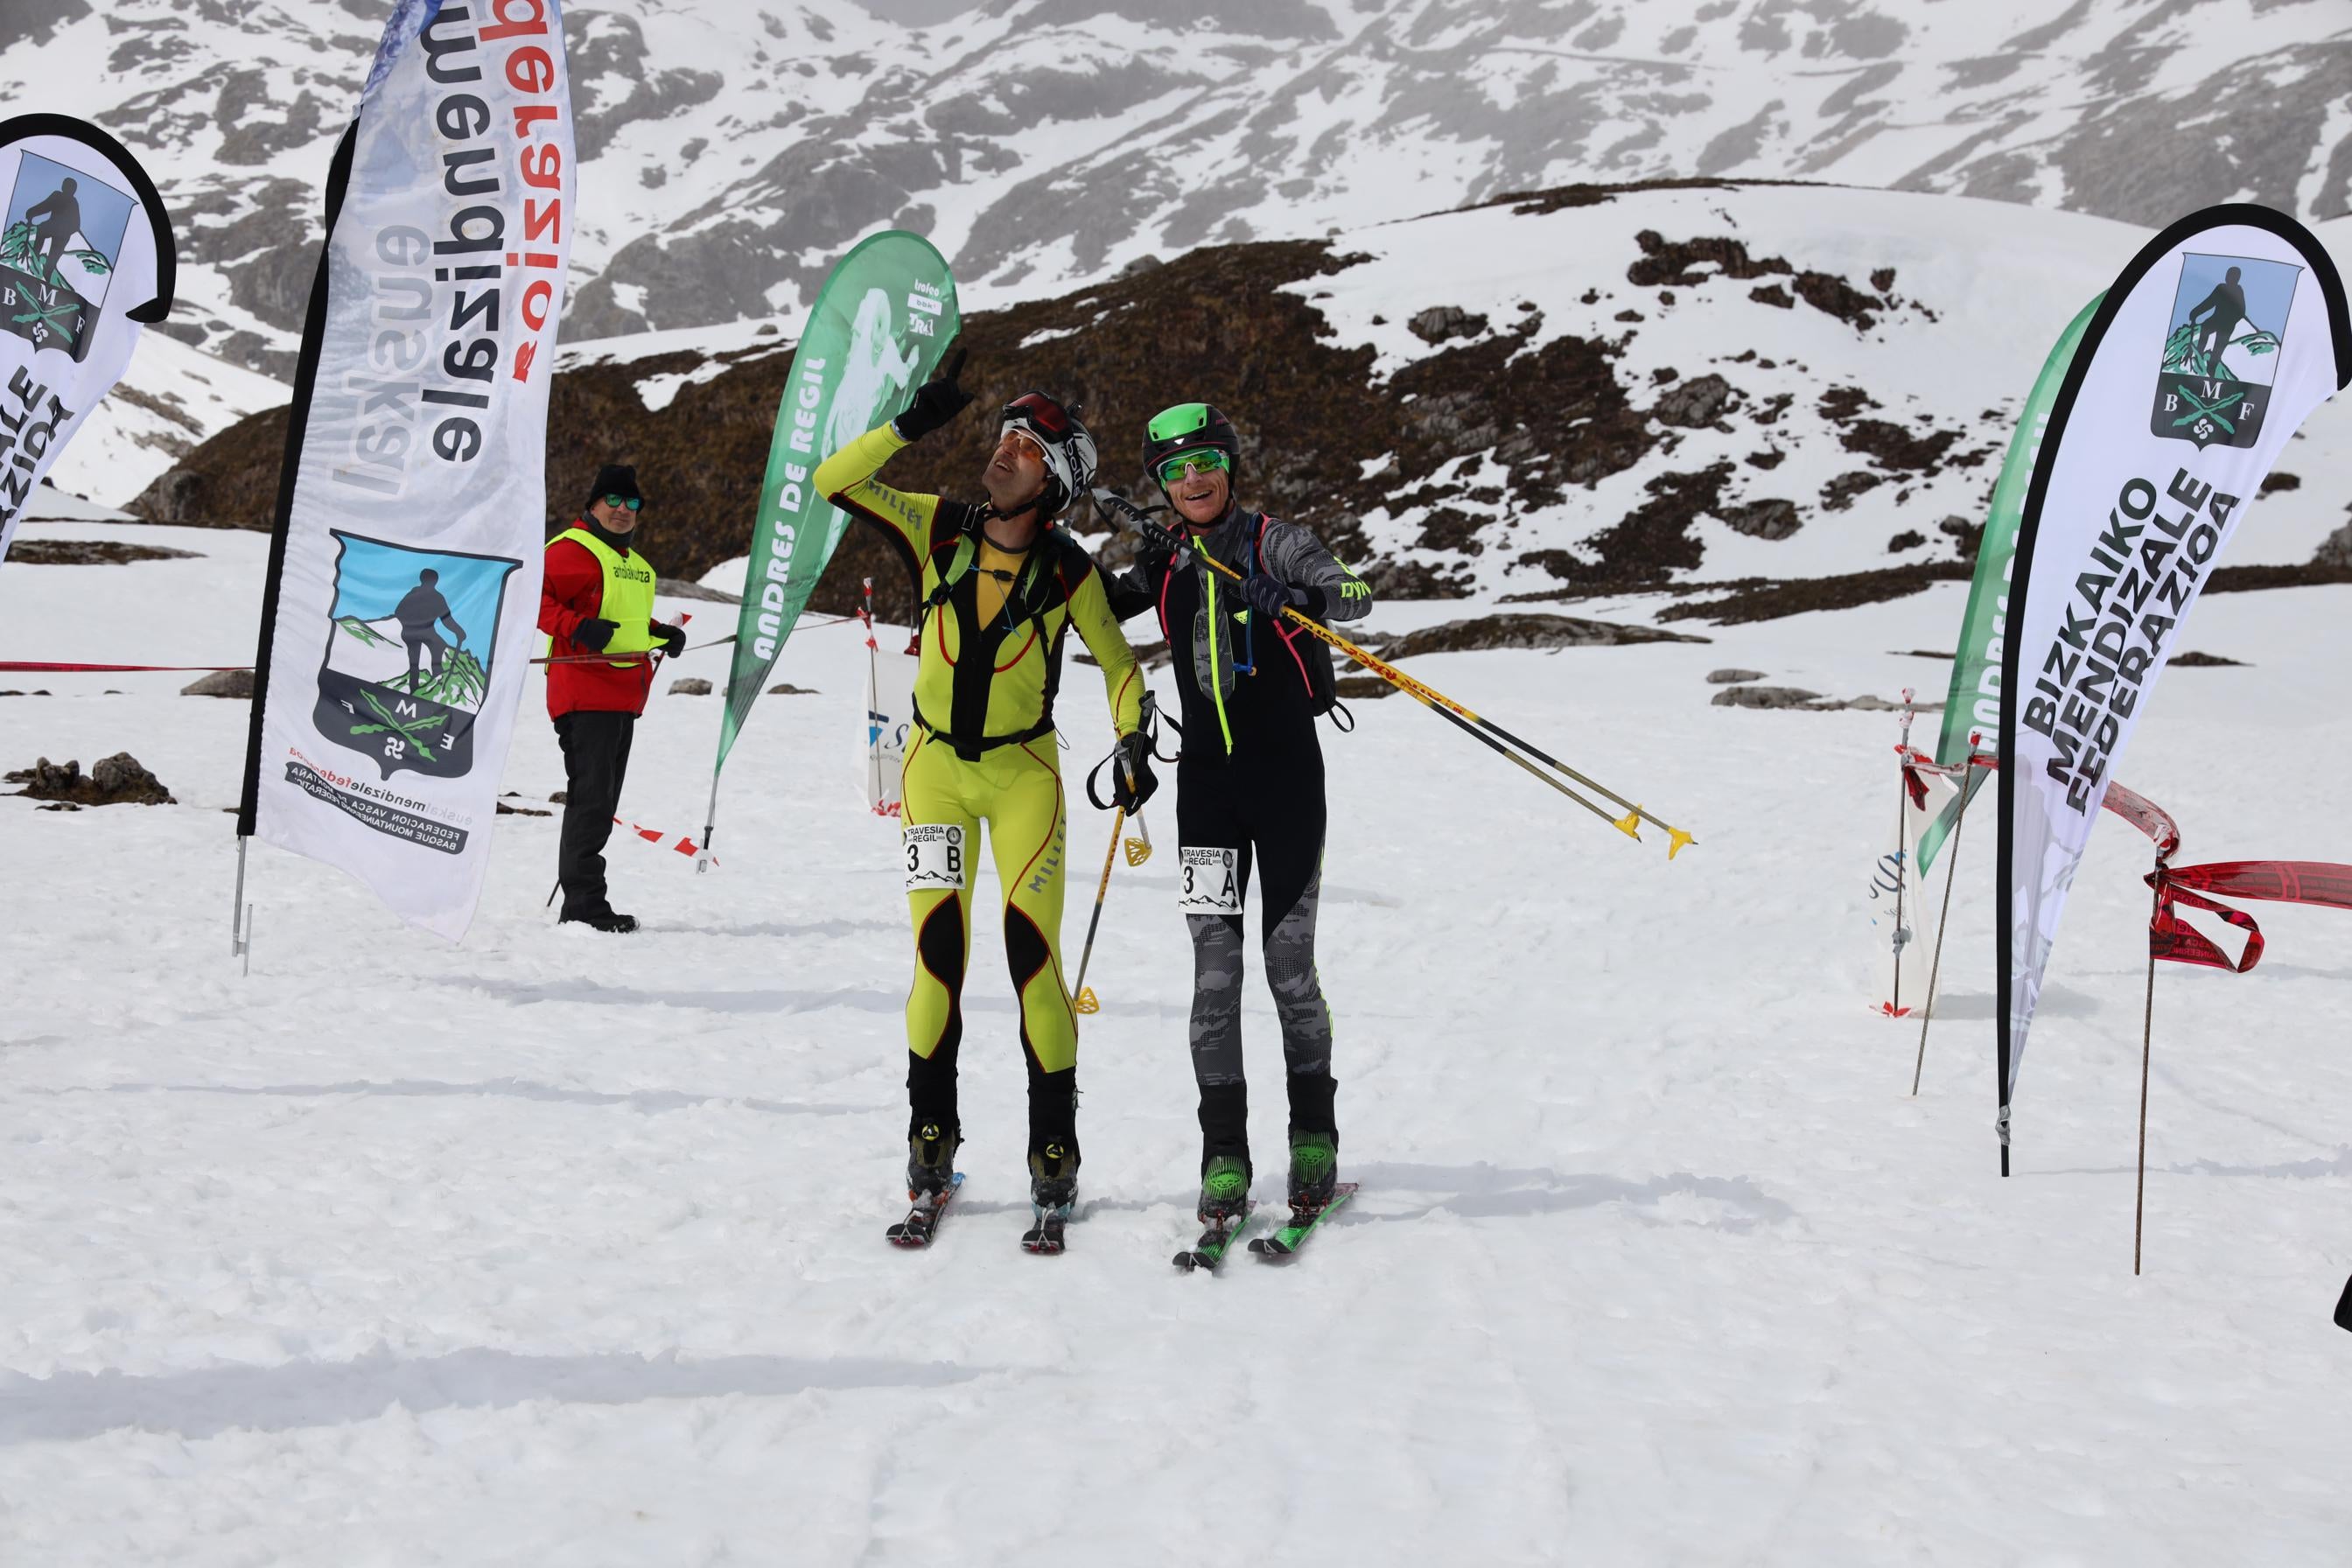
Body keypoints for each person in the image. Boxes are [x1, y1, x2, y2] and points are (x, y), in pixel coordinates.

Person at [814, 348, 1152, 1231]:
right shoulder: (939, 527)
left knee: (1034, 965)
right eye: (1003, 437)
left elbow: (1121, 667)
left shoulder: (1070, 572)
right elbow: (831, 481)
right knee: (937, 957)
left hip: (1023, 779)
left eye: (1028, 448)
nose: (1003, 452)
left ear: (1057, 483)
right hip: (935, 773)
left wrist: (1131, 736)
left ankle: (1054, 1153)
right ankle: (931, 1142)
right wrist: (908, 424)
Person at [1100, 402, 1373, 1228]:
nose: (1194, 480)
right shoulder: (1167, 558)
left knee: (1290, 972)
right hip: (1207, 797)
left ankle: (1315, 1139)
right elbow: (1096, 608)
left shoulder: (1276, 539)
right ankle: (1224, 1157)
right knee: (1213, 981)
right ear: (1160, 484)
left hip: (1288, 785)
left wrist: (1290, 592)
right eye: (1176, 470)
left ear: (1230, 464)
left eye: (1207, 462)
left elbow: (1353, 592)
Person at [537, 464, 687, 934]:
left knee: (601, 800)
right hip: (582, 692)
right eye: (614, 501)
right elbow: (532, 599)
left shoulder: (638, 566)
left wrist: (660, 632)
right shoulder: (568, 550)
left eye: (633, 503)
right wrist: (576, 627)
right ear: (594, 504)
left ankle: (582, 897)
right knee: (592, 799)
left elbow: (624, 621)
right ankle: (583, 903)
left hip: (623, 695)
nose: (624, 511)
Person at [393, 568, 466, 691]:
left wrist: (458, 631)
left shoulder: (415, 593)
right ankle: (434, 678)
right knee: (438, 646)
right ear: (435, 581)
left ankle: (421, 684)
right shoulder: (437, 597)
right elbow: (447, 620)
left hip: (415, 632)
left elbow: (398, 611)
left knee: (421, 656)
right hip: (420, 632)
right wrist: (459, 632)